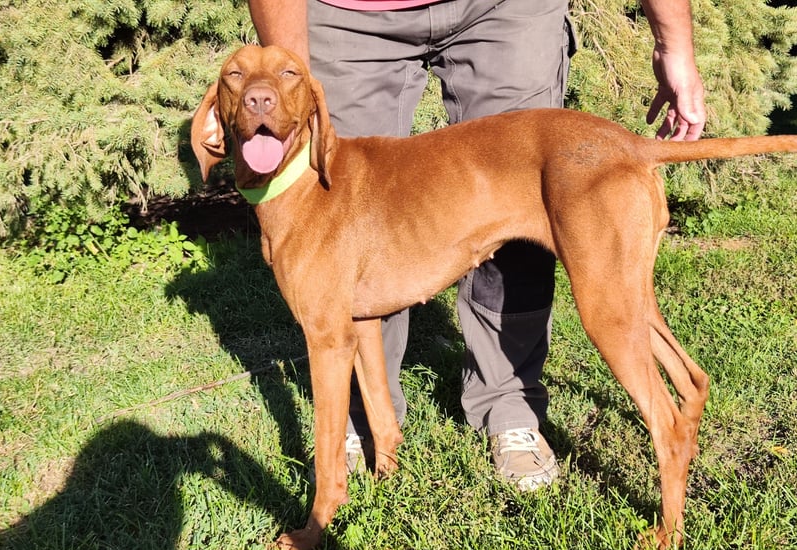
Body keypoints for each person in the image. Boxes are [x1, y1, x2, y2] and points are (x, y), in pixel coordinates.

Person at [247, 0, 706, 491]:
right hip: (346, 14)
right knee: (350, 249)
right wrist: (287, 73)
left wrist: (674, 43)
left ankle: (511, 406)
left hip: (506, 9)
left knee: (609, 309)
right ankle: (368, 423)